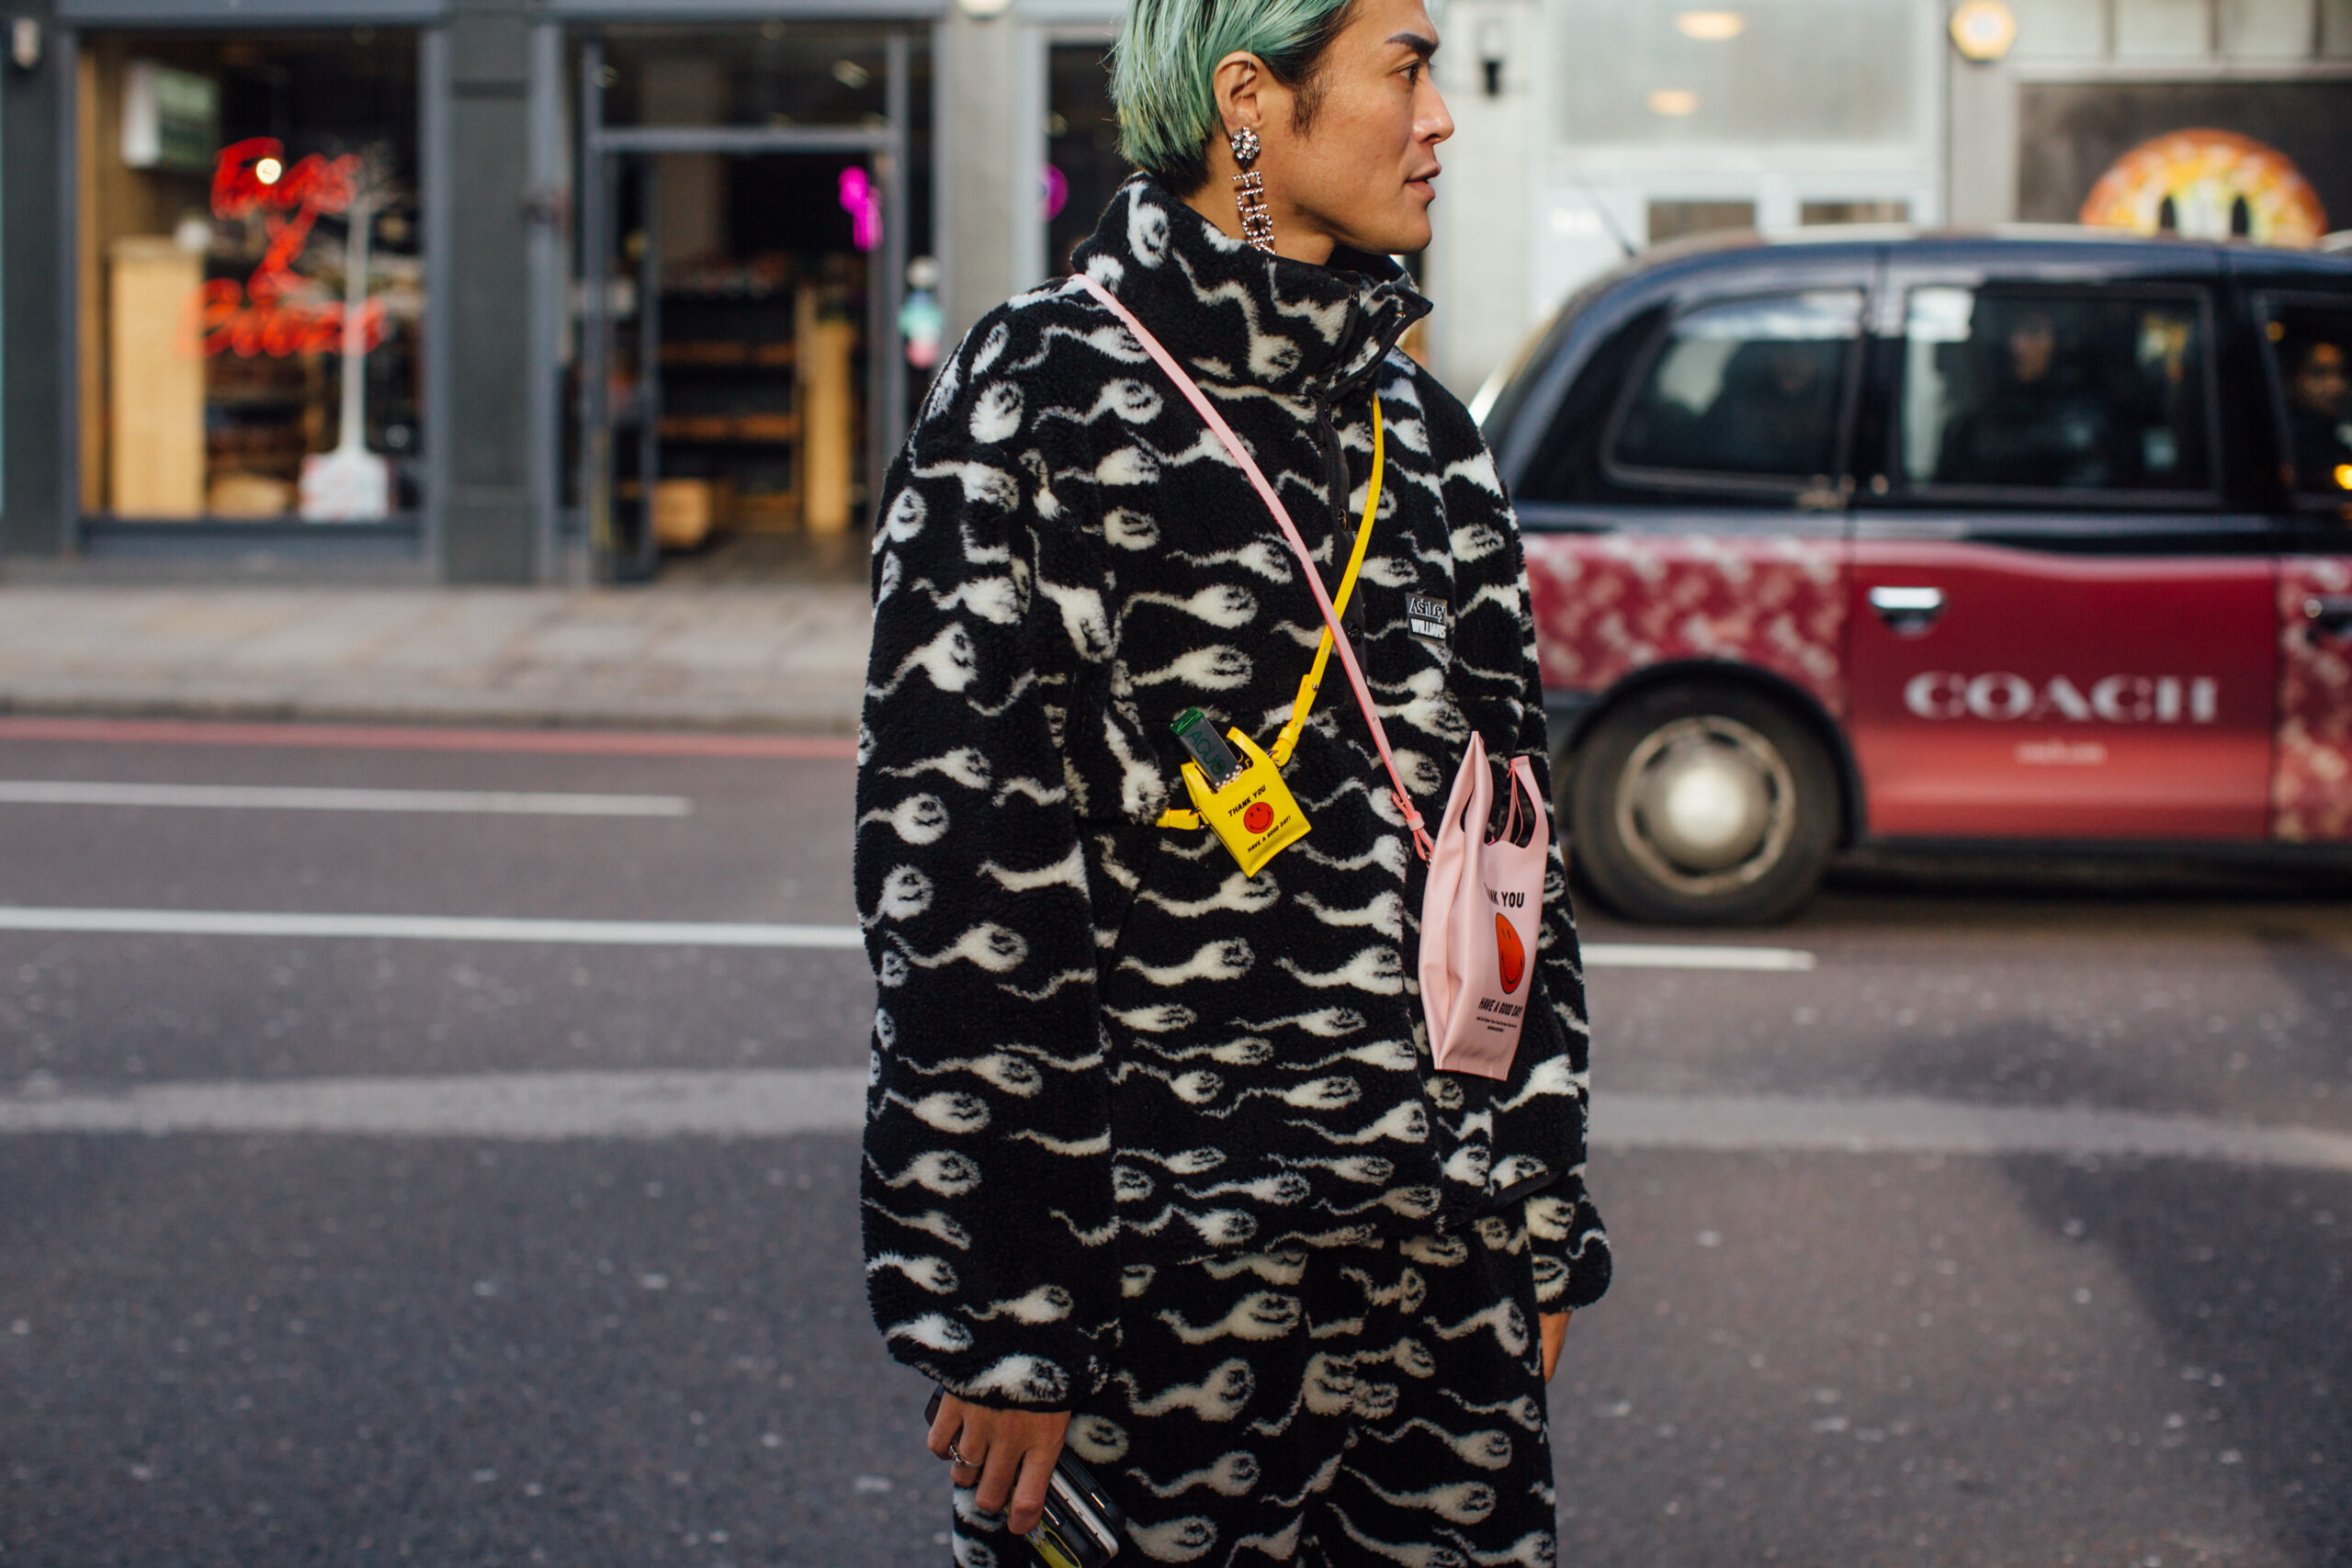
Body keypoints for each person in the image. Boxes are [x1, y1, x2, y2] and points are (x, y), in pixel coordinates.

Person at [854, 0, 1611, 1560]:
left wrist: (1536, 1212)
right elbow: (967, 877)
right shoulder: (1039, 396)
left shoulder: (1428, 434)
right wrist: (1004, 1305)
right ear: (1249, 99)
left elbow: (1514, 851)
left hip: (1435, 1279)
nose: (1439, 118)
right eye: (1406, 67)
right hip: (1162, 1297)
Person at [1935, 304, 2117, 490]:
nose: (2017, 346)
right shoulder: (1969, 426)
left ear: (2060, 342)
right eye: (2009, 331)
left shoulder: (2083, 428)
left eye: (2033, 331)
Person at [2284, 336, 2352, 495]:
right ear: (2291, 380)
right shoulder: (2290, 440)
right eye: (2319, 373)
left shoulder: (2336, 433)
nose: (2336, 387)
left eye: (2340, 373)